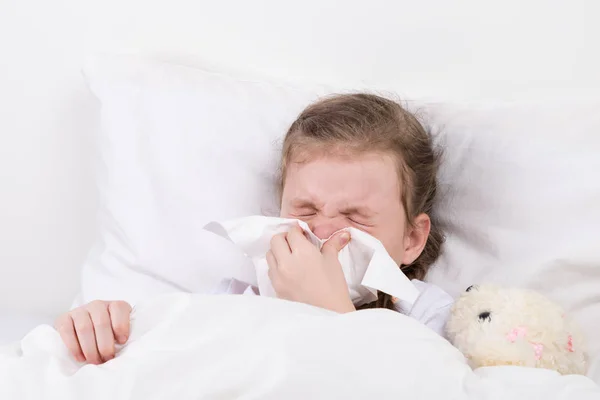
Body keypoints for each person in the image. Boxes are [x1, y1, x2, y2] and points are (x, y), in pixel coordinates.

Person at [54, 93, 454, 365]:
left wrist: (331, 310)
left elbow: (415, 381)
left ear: (411, 239)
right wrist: (113, 323)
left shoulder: (426, 314)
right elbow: (169, 361)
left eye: (355, 216)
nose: (325, 233)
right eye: (306, 209)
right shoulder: (232, 301)